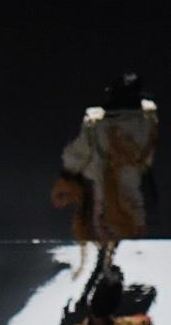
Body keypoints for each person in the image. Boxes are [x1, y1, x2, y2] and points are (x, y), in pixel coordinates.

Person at [54, 73, 159, 248]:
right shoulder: (148, 122)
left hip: (105, 192)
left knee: (105, 227)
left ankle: (107, 254)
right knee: (131, 224)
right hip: (134, 192)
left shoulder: (97, 125)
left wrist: (67, 175)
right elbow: (146, 160)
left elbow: (78, 155)